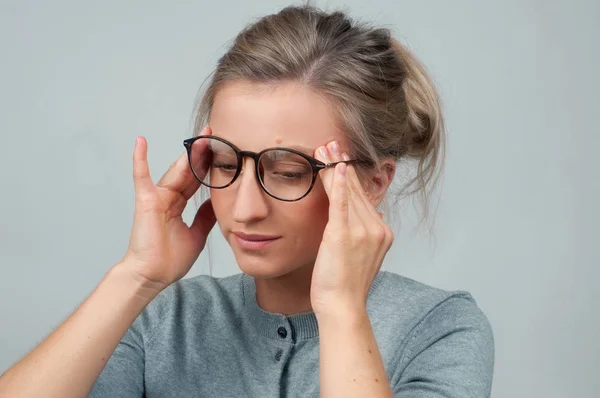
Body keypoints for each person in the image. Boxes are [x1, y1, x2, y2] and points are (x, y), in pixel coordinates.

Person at [0, 4, 494, 397]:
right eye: (226, 164)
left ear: (373, 182)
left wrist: (342, 310)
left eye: (288, 172)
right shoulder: (163, 322)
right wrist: (136, 277)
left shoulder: (440, 329)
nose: (245, 207)